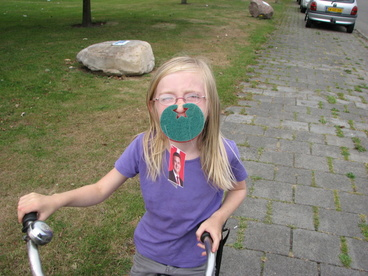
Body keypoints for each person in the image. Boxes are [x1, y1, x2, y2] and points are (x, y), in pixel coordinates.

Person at [18, 56, 248, 275]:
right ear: (153, 107)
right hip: (148, 255)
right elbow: (99, 189)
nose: (180, 106)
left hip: (196, 259)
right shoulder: (144, 147)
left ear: (211, 103)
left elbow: (239, 189)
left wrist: (218, 218)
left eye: (193, 96)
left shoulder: (223, 152)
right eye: (168, 97)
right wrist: (55, 200)